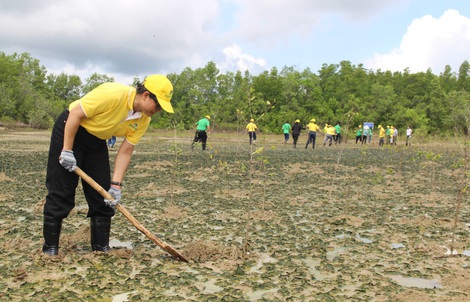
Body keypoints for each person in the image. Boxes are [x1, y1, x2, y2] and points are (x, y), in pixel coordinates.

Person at [42, 74, 174, 256]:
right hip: (71, 129)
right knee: (62, 190)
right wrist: (67, 150)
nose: (158, 110)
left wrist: (116, 185)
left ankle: (101, 248)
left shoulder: (144, 119)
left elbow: (126, 150)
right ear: (145, 95)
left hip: (97, 140)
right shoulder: (113, 94)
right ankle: (50, 249)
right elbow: (75, 114)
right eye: (158, 105)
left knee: (103, 196)